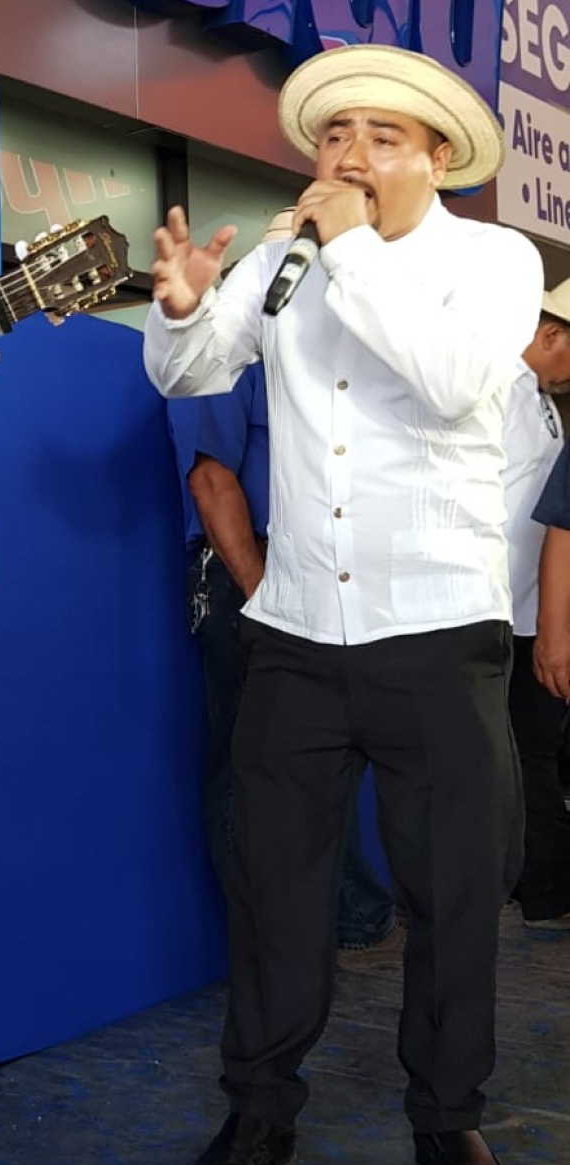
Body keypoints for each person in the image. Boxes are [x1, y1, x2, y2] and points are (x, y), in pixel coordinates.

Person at [144, 43, 541, 1165]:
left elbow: (451, 381)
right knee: (271, 885)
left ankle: (447, 1118)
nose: (348, 155)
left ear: (433, 156)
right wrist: (174, 314)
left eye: (378, 135)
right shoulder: (284, 257)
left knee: (454, 890)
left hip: (436, 624)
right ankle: (257, 1108)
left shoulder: (492, 260)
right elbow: (195, 366)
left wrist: (349, 250)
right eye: (332, 136)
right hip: (300, 630)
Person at [166, 212, 397, 963]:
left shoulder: (314, 350)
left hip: (308, 573)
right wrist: (264, 596)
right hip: (247, 581)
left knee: (315, 764)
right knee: (249, 767)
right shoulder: (225, 346)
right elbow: (211, 479)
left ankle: (345, 919)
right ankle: (269, 949)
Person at [502, 283, 570, 930]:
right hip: (495, 611)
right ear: (552, 334)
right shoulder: (493, 392)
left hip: (538, 612)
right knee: (520, 755)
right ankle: (538, 893)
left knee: (536, 750)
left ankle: (544, 891)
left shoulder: (546, 406)